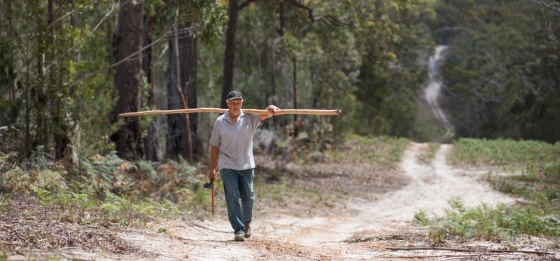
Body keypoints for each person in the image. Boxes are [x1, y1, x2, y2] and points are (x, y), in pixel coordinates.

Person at [208, 90, 280, 242]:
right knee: (232, 196)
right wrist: (212, 169)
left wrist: (271, 108)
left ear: (242, 103)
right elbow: (215, 147)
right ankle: (238, 229)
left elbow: (266, 114)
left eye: (238, 102)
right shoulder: (220, 122)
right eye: (233, 103)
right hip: (227, 165)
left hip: (246, 165)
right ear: (227, 104)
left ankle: (246, 223)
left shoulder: (249, 117)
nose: (236, 105)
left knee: (248, 198)